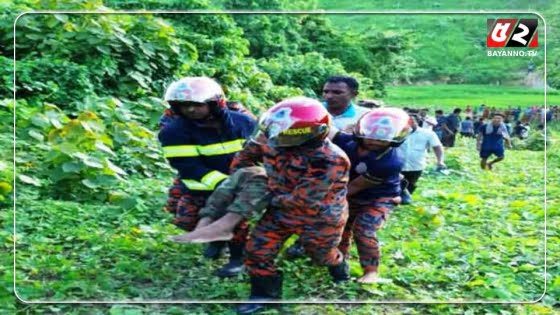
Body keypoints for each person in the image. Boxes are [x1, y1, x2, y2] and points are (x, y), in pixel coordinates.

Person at [235, 97, 352, 314]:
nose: (279, 141)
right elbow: (242, 162)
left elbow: (304, 200)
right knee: (257, 250)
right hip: (279, 211)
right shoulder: (274, 140)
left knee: (320, 255)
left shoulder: (330, 159)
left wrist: (261, 197)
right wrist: (247, 171)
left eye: (286, 136)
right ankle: (264, 296)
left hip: (319, 216)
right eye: (277, 134)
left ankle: (338, 266)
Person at [159, 76, 256, 277]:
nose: (191, 110)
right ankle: (217, 241)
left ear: (214, 103)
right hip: (200, 185)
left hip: (239, 182)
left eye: (196, 104)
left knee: (235, 222)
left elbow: (259, 151)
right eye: (184, 106)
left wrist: (241, 183)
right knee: (188, 220)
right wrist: (223, 184)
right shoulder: (173, 131)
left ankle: (236, 259)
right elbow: (188, 166)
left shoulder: (244, 122)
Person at [331, 108, 411, 284]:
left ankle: (371, 271)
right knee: (341, 229)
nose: (375, 141)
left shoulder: (390, 161)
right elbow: (330, 131)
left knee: (364, 229)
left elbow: (356, 186)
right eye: (371, 136)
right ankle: (339, 262)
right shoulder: (349, 142)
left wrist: (329, 199)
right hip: (350, 194)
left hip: (379, 197)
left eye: (382, 139)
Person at [398, 114, 445, 204]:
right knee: (396, 184)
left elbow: (437, 147)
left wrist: (440, 161)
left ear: (417, 122)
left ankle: (404, 201)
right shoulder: (397, 132)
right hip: (398, 165)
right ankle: (394, 202)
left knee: (410, 185)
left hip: (416, 165)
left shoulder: (428, 134)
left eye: (412, 121)